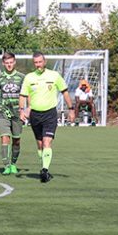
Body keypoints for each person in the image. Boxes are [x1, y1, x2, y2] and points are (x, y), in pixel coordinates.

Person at [20, 52, 75, 183]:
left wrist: (71, 109)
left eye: (40, 62)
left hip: (50, 114)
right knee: (40, 145)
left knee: (47, 142)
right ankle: (44, 167)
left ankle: (44, 170)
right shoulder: (29, 77)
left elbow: (65, 92)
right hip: (35, 115)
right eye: (36, 63)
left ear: (45, 61)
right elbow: (22, 95)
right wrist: (21, 110)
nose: (38, 65)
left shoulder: (54, 75)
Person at [0, 51, 26, 175]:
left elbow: (26, 94)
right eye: (7, 63)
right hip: (4, 111)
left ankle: (14, 163)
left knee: (16, 140)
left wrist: (26, 109)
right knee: (5, 137)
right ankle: (7, 165)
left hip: (17, 112)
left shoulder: (21, 77)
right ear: (3, 63)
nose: (9, 65)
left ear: (14, 62)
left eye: (11, 62)